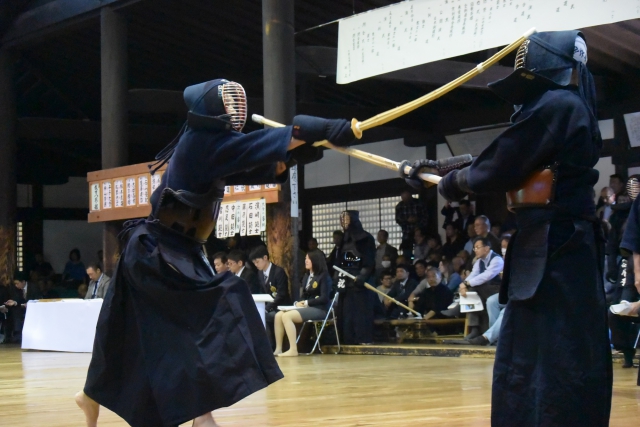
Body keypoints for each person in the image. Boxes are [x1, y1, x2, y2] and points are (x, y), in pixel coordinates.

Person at [75, 78, 356, 427]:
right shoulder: (200, 144)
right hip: (157, 253)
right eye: (229, 104)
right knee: (201, 319)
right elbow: (259, 146)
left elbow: (260, 165)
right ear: (211, 110)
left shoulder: (212, 148)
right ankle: (200, 416)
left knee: (133, 332)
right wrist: (315, 129)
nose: (236, 112)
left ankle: (97, 398)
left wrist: (297, 150)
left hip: (181, 252)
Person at [427, 31, 612, 425]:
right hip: (559, 245)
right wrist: (447, 173)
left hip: (556, 248)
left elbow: (503, 162)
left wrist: (454, 182)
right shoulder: (566, 107)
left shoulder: (558, 104)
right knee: (550, 349)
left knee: (552, 352)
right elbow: (505, 157)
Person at [273, 250, 331, 357]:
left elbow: (324, 298)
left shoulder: (324, 276)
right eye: (305, 259)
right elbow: (303, 296)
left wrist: (307, 303)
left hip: (320, 309)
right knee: (278, 315)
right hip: (307, 308)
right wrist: (298, 303)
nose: (306, 261)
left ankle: (293, 349)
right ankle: (278, 348)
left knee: (287, 316)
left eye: (308, 259)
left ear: (315, 260)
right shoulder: (306, 276)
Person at [334, 210, 377, 344]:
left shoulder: (365, 238)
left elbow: (369, 261)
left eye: (347, 219)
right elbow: (339, 260)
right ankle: (348, 339)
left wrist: (362, 276)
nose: (344, 222)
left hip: (360, 282)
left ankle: (362, 338)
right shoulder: (343, 240)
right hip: (346, 282)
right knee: (346, 314)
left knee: (360, 313)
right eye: (343, 219)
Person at [250, 246, 291, 316]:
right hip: (268, 306)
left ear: (265, 258)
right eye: (254, 263)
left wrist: (267, 308)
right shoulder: (260, 273)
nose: (256, 265)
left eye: (257, 262)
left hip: (281, 306)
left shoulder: (278, 272)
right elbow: (262, 291)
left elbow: (281, 294)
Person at [3, 272, 41, 343]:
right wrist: (14, 302)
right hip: (21, 309)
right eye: (15, 284)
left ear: (23, 282)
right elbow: (18, 301)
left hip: (33, 309)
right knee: (14, 311)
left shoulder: (34, 287)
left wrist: (29, 304)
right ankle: (16, 334)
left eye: (17, 283)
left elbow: (38, 300)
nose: (16, 285)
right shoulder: (15, 289)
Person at [395, 190, 427, 258]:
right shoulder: (399, 206)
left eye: (407, 198)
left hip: (419, 232)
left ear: (411, 196)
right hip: (406, 232)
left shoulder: (419, 203)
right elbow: (398, 220)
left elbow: (426, 217)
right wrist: (407, 220)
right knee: (407, 252)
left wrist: (418, 224)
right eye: (404, 199)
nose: (406, 200)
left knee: (421, 250)